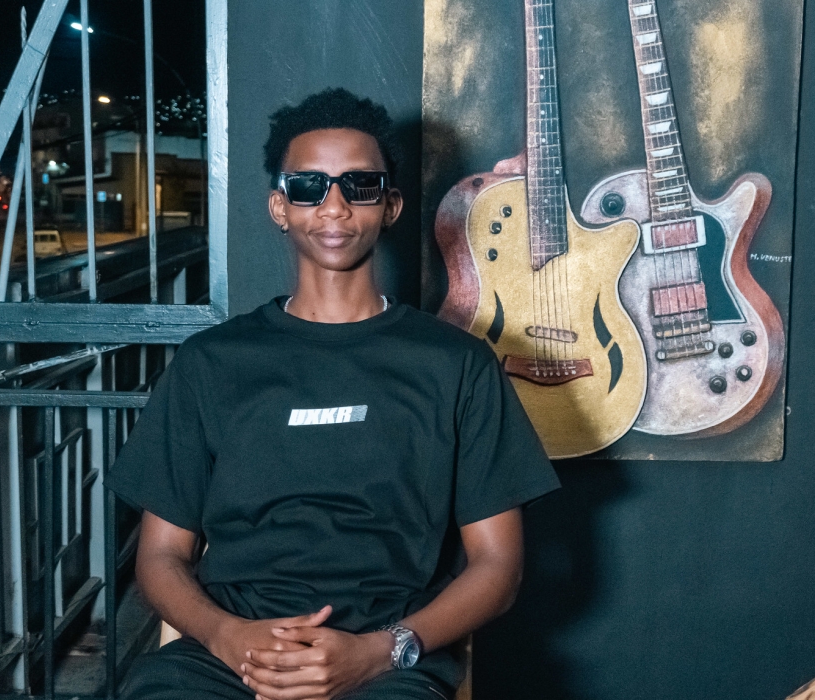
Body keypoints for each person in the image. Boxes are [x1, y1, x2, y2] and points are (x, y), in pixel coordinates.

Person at [107, 88, 560, 700]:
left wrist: (382, 650)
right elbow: (160, 556)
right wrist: (226, 636)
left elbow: (498, 567)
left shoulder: (456, 364)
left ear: (390, 205)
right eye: (309, 187)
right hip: (230, 653)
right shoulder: (211, 363)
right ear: (280, 206)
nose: (335, 206)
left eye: (360, 185)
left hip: (386, 654)